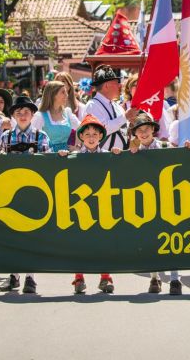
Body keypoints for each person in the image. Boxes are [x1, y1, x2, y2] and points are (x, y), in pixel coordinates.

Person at [128, 112, 190, 295]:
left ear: (153, 130)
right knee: (151, 240)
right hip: (147, 201)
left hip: (167, 198)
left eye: (146, 128)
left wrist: (187, 148)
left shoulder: (165, 146)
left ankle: (174, 279)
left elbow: (181, 159)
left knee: (171, 240)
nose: (143, 133)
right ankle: (154, 278)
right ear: (135, 134)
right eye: (139, 130)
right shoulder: (134, 153)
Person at [0, 95, 52, 294]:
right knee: (11, 235)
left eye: (26, 112)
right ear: (13, 115)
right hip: (10, 193)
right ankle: (13, 275)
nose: (22, 115)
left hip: (33, 191)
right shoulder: (5, 137)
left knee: (32, 235)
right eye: (18, 112)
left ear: (32, 114)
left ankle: (30, 276)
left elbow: (47, 163)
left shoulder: (41, 137)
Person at [69, 114, 120, 294]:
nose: (91, 137)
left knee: (103, 241)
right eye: (87, 134)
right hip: (80, 205)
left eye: (94, 134)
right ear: (81, 136)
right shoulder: (72, 158)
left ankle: (105, 277)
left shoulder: (109, 156)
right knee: (79, 242)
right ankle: (78, 277)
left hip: (102, 204)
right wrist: (60, 157)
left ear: (100, 136)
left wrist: (118, 156)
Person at [84, 65, 138, 151]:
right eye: (116, 82)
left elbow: (124, 130)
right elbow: (101, 130)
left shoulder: (116, 106)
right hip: (103, 159)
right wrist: (125, 117)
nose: (120, 85)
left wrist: (132, 124)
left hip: (121, 157)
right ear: (106, 85)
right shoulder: (92, 105)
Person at [32, 80, 80, 154]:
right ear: (53, 95)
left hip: (66, 157)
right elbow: (31, 139)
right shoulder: (40, 116)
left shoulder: (67, 112)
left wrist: (77, 146)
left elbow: (82, 129)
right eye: (63, 92)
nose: (67, 95)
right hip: (48, 158)